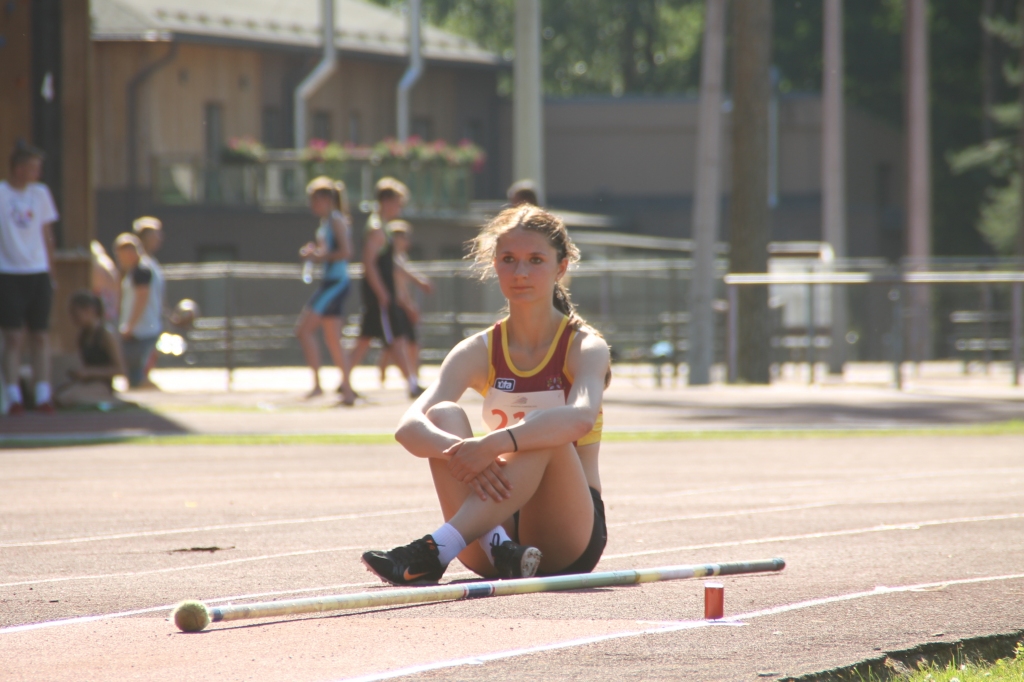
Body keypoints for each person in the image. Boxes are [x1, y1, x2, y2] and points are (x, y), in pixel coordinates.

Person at [361, 205, 610, 586]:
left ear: (561, 267)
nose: (520, 272)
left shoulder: (585, 347)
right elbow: (408, 427)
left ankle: (436, 549)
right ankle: (499, 546)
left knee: (546, 428)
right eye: (508, 259)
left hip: (568, 535)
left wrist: (494, 444)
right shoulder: (477, 350)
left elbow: (579, 418)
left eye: (536, 260)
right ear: (494, 265)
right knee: (442, 414)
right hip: (492, 527)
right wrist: (462, 453)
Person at [348, 178, 423, 398]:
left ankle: (343, 380)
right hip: (379, 296)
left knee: (364, 340)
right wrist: (382, 293)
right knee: (397, 338)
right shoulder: (376, 229)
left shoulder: (383, 227)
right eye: (398, 203)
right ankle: (412, 384)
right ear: (387, 201)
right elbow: (369, 263)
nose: (399, 208)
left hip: (380, 295)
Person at [0, 140, 59, 414]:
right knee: (13, 336)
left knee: (40, 335)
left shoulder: (41, 193)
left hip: (38, 271)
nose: (38, 173)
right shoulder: (2, 194)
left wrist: (51, 273)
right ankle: (13, 396)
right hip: (9, 273)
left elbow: (47, 234)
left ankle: (43, 393)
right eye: (33, 167)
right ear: (18, 169)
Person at [295, 176, 357, 403]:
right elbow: (328, 250)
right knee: (332, 339)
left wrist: (318, 256)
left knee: (304, 330)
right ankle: (346, 391)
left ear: (325, 199)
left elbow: (346, 252)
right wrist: (315, 253)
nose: (312, 205)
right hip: (331, 281)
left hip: (336, 283)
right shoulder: (327, 222)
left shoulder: (336, 220)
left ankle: (320, 386)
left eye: (315, 200)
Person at [376, 221, 433, 387]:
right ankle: (410, 379)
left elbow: (404, 288)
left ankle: (411, 377)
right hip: (396, 305)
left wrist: (410, 304)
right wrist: (409, 305)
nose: (407, 241)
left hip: (402, 304)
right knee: (400, 343)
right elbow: (399, 286)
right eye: (404, 237)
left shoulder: (401, 257)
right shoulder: (390, 259)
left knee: (402, 343)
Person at [54, 291, 126, 408]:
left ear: (89, 310)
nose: (73, 319)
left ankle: (111, 401)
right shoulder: (83, 336)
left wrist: (90, 372)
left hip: (102, 385)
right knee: (56, 395)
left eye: (75, 314)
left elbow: (120, 370)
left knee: (67, 398)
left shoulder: (105, 335)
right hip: (86, 383)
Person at [113, 233, 163, 388]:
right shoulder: (144, 268)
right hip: (144, 328)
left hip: (141, 331)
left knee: (136, 376)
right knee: (135, 375)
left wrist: (129, 326)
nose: (120, 260)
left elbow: (142, 299)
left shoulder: (141, 270)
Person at [132, 217, 165, 388]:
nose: (160, 238)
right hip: (142, 328)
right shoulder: (141, 265)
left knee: (144, 374)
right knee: (139, 378)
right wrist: (130, 325)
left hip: (152, 323)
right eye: (155, 234)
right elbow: (141, 296)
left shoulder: (152, 263)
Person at [90, 240, 121, 326]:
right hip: (113, 307)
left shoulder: (97, 266)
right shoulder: (108, 263)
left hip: (104, 308)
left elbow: (96, 288)